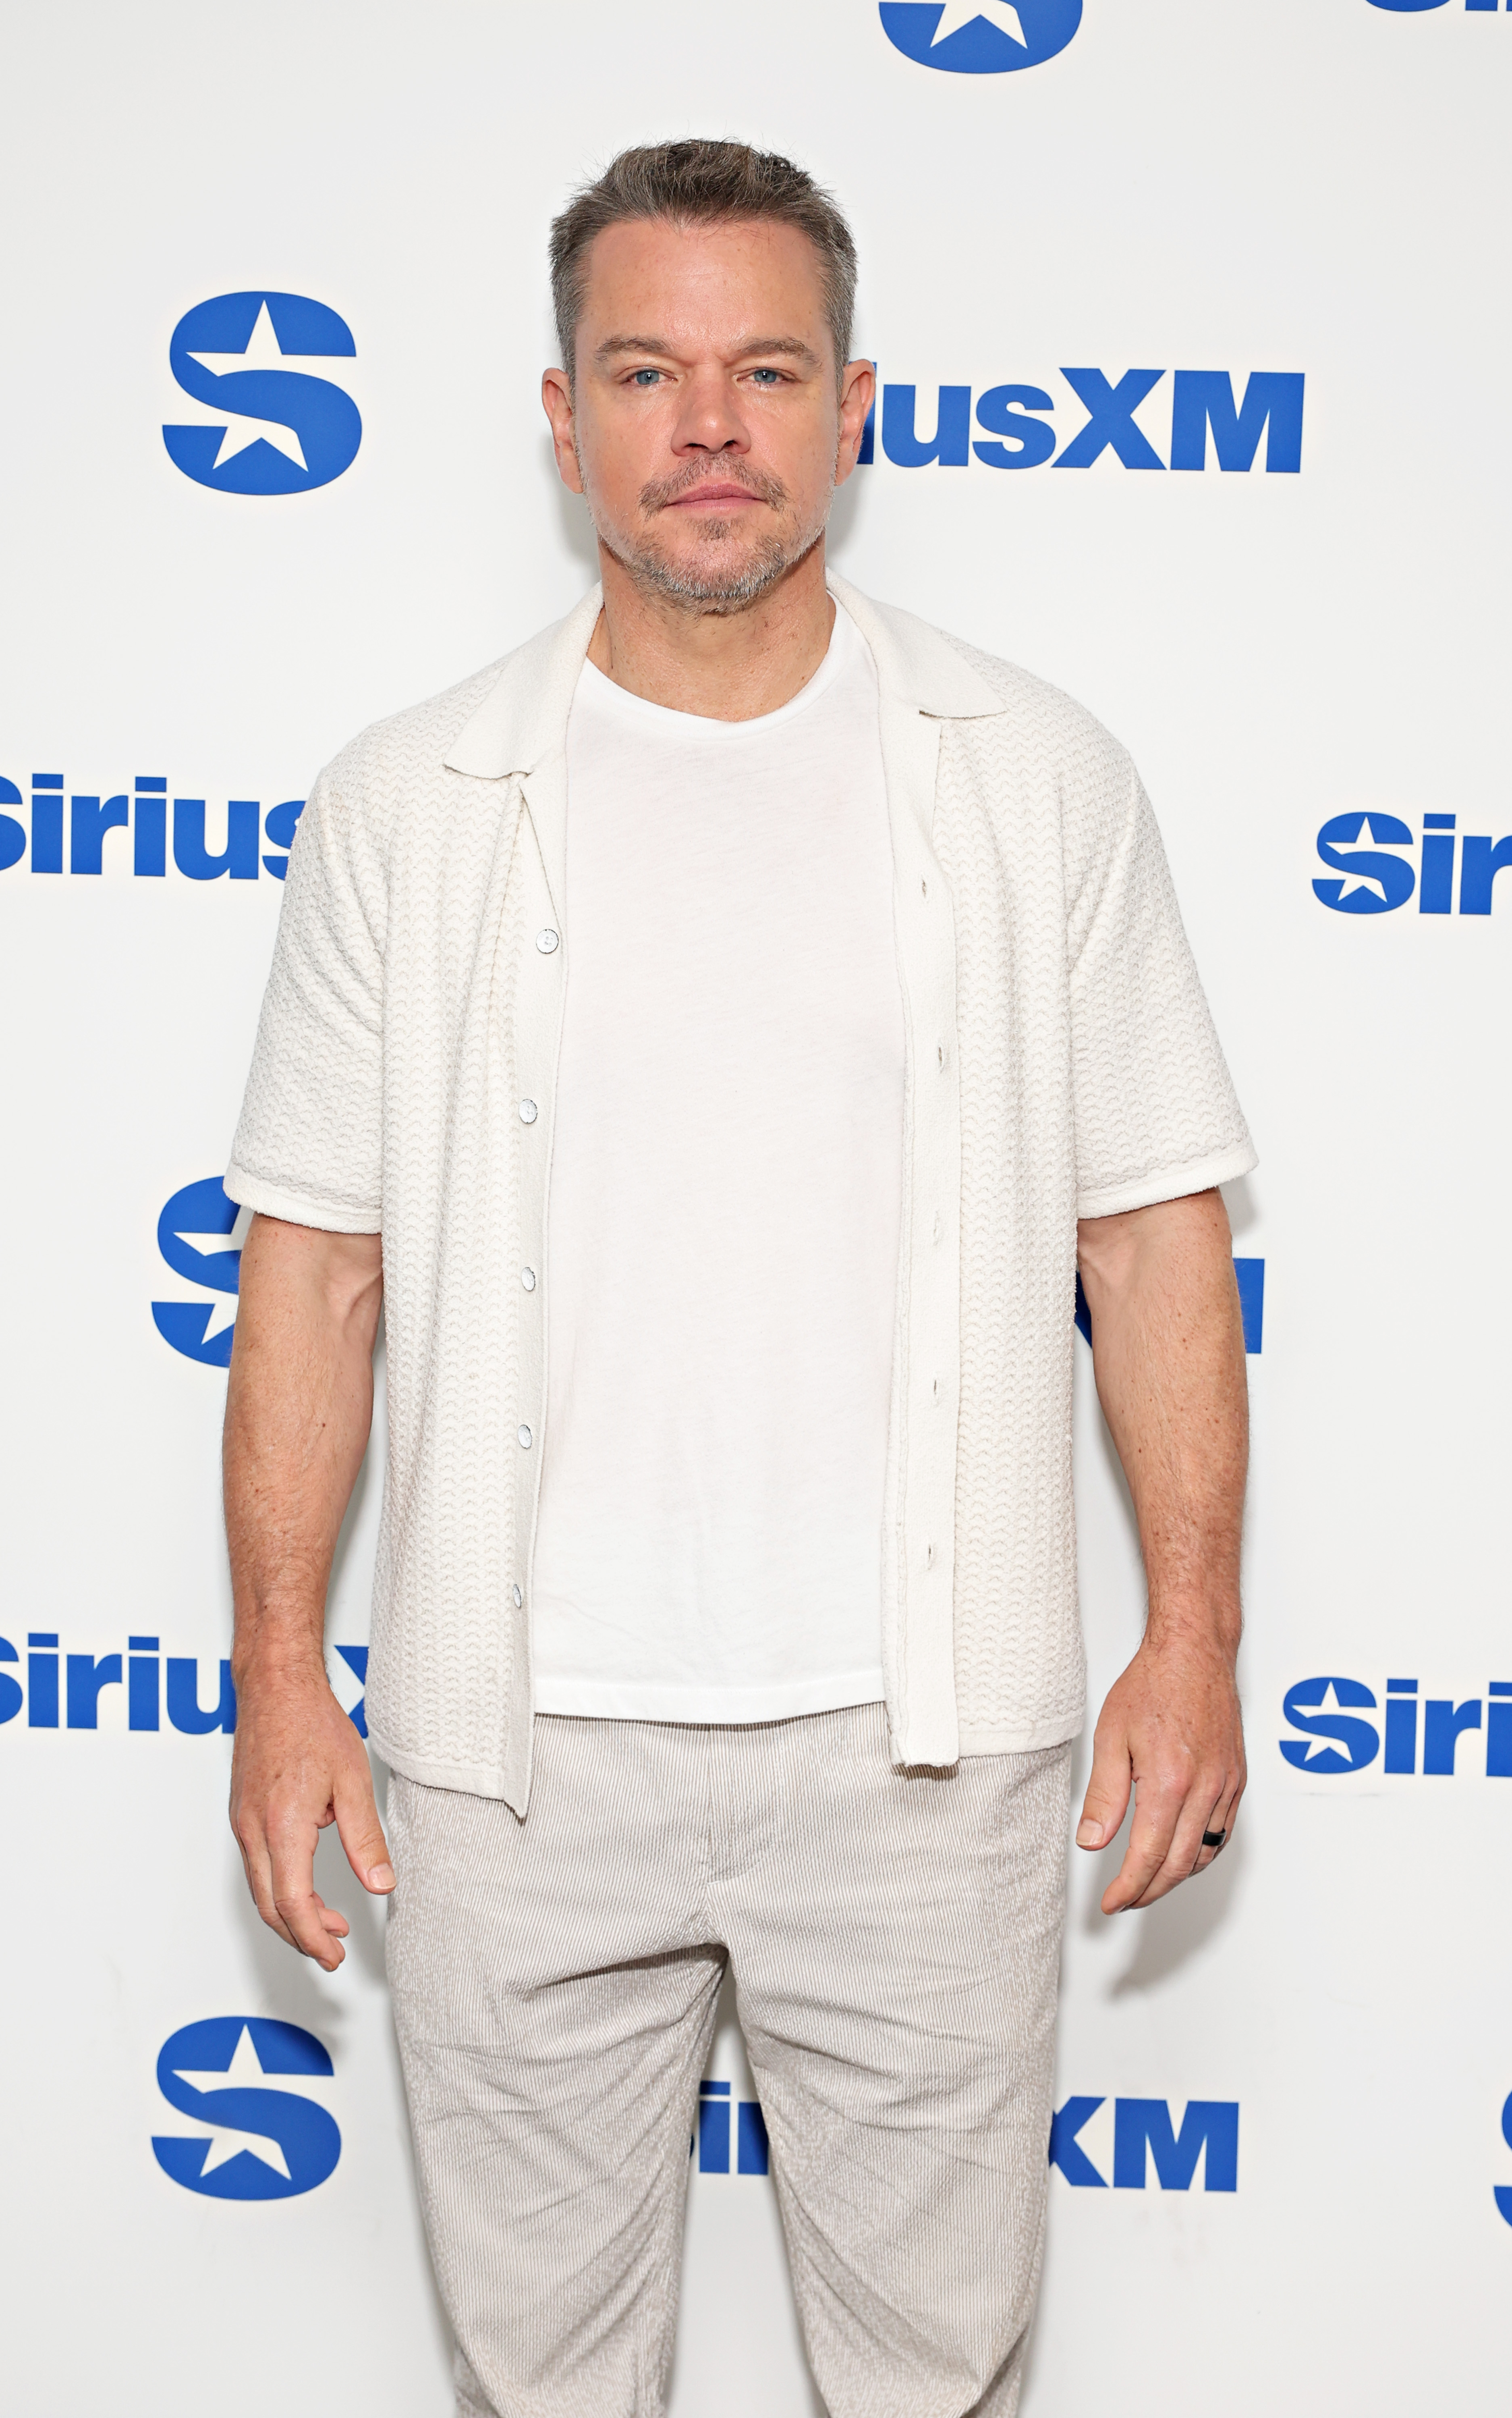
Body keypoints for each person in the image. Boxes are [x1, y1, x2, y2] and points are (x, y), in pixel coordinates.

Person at [223, 139, 1254, 2418]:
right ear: (563, 413)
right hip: (510, 1760)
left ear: (855, 404)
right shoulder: (407, 802)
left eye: (766, 368)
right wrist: (280, 1672)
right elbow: (311, 1275)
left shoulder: (1038, 780)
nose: (711, 424)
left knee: (936, 2374)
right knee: (542, 2377)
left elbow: (1155, 1234)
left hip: (927, 1755)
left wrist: (1195, 1636)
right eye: (651, 370)